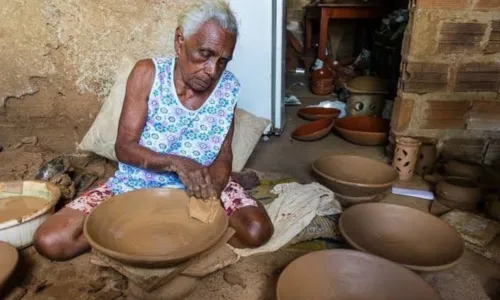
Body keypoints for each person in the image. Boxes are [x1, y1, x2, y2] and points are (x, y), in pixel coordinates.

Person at [34, 0, 274, 261]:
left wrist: (212, 193)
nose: (212, 70)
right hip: (138, 184)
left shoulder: (228, 88)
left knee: (256, 230)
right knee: (52, 240)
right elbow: (124, 147)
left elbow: (223, 155)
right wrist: (176, 163)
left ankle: (227, 188)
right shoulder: (147, 74)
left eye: (223, 61)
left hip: (200, 184)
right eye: (205, 54)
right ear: (180, 40)